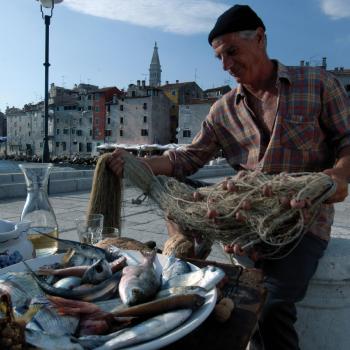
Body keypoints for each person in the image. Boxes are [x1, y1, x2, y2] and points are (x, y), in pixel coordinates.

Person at [107, 4, 350, 349]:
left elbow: (347, 141)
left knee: (270, 306)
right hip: (244, 215)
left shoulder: (317, 84)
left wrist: (338, 175)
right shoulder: (223, 109)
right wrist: (137, 164)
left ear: (261, 39)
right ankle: (187, 248)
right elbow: (188, 159)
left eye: (232, 52)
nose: (226, 65)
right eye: (219, 58)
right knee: (176, 194)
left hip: (301, 221)